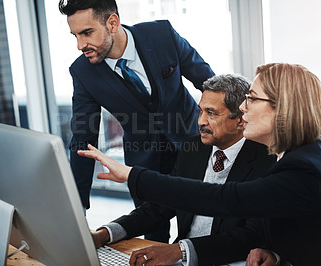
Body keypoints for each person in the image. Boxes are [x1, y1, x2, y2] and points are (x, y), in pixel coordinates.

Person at [78, 63, 321, 266]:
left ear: (284, 110)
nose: (244, 109)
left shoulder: (302, 168)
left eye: (252, 99)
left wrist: (131, 175)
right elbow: (301, 232)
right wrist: (276, 255)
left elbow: (225, 200)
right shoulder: (305, 157)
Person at [58, 0, 214, 243]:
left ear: (112, 23)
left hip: (194, 147)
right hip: (143, 163)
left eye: (87, 33)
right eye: (75, 35)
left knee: (198, 224)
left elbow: (209, 83)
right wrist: (77, 210)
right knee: (153, 236)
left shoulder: (161, 34)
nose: (80, 45)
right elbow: (82, 138)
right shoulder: (83, 72)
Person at [90, 74, 275, 266]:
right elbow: (159, 207)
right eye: (200, 111)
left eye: (211, 113)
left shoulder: (267, 159)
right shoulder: (193, 149)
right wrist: (104, 234)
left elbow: (252, 234)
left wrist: (180, 250)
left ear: (240, 120)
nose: (201, 121)